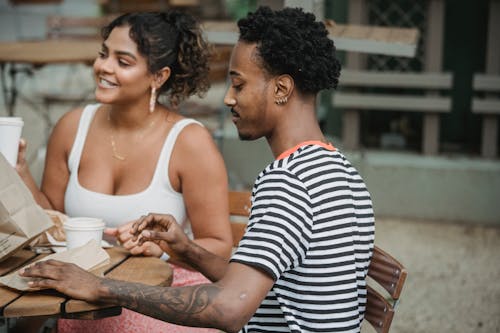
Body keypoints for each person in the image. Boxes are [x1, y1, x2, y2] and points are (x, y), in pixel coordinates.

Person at [20, 6, 375, 333]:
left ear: (281, 88)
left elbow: (229, 308)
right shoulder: (339, 171)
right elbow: (246, 282)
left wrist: (99, 286)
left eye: (238, 84)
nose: (228, 98)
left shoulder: (288, 182)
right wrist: (185, 248)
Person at [16, 11, 232, 333]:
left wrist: (164, 247)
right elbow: (54, 223)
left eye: (123, 61)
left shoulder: (189, 142)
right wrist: (19, 171)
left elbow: (219, 246)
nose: (104, 67)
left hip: (165, 296)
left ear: (158, 77)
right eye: (104, 54)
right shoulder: (72, 127)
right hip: (85, 298)